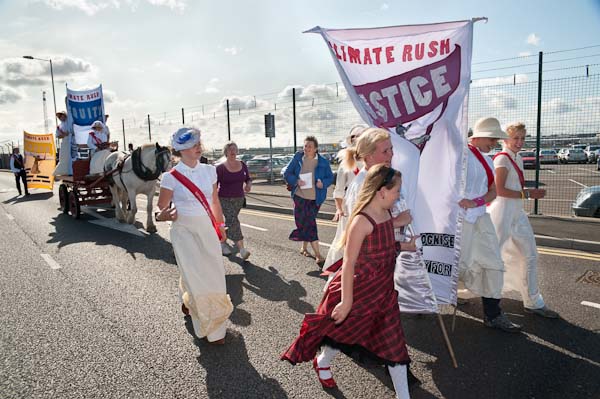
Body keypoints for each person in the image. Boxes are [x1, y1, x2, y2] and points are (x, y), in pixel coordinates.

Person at [281, 165, 411, 399]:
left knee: (395, 347)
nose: (399, 195)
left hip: (383, 292)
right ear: (381, 191)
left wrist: (405, 246)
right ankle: (322, 361)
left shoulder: (387, 214)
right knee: (340, 332)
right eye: (397, 191)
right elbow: (349, 263)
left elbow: (381, 249)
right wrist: (347, 302)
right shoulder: (361, 221)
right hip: (359, 290)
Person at [156, 127, 234, 344]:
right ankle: (213, 330)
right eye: (194, 144)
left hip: (207, 228)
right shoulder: (170, 178)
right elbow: (160, 209)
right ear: (181, 150)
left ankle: (189, 300)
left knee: (214, 275)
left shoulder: (210, 171)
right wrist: (163, 216)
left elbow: (215, 201)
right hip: (183, 232)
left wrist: (221, 226)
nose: (199, 146)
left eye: (199, 142)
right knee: (197, 277)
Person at [488, 122, 559, 319]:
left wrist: (525, 195)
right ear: (505, 139)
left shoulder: (516, 157)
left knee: (530, 255)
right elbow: (500, 190)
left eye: (522, 138)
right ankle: (461, 290)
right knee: (491, 257)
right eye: (515, 138)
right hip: (502, 214)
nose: (519, 142)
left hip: (516, 214)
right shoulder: (502, 159)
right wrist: (528, 194)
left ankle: (533, 301)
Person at [457, 117, 521, 332]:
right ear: (478, 136)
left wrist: (475, 201)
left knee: (493, 262)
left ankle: (493, 314)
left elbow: (494, 190)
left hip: (480, 217)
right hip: (459, 221)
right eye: (492, 138)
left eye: (496, 139)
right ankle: (426, 299)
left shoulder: (486, 159)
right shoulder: (458, 155)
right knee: (457, 264)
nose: (494, 143)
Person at [323, 127, 412, 272]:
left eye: (391, 149)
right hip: (366, 267)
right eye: (385, 151)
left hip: (381, 259)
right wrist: (396, 222)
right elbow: (360, 229)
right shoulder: (363, 185)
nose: (391, 154)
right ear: (369, 156)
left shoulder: (381, 178)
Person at [283, 136, 334, 265]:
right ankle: (305, 248)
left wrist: (324, 183)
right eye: (305, 146)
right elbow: (287, 173)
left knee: (310, 224)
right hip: (299, 196)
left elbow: (330, 177)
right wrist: (296, 181)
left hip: (314, 199)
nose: (306, 148)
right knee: (303, 222)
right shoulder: (298, 158)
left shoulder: (323, 162)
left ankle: (318, 255)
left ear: (316, 149)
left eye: (309, 146)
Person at [217, 141, 252, 260]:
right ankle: (242, 249)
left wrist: (248, 185)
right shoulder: (220, 168)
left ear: (237, 151)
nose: (232, 151)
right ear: (226, 152)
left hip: (239, 198)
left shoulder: (242, 164)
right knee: (234, 221)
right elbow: (214, 184)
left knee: (230, 222)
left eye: (234, 149)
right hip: (224, 198)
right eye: (230, 149)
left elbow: (248, 178)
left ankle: (222, 242)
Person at [53, 110, 72, 176]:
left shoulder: (70, 122)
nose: (60, 117)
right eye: (59, 116)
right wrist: (64, 135)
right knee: (64, 157)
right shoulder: (59, 126)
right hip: (65, 142)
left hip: (72, 141)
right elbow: (57, 135)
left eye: (61, 115)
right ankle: (64, 171)